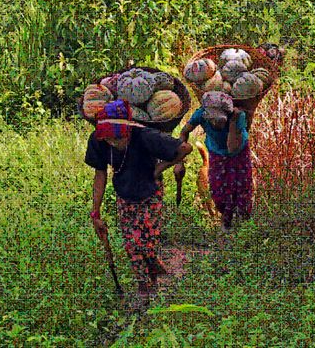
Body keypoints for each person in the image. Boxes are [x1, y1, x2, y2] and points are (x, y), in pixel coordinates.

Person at [84, 99, 192, 304]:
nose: (113, 143)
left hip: (150, 194)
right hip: (124, 195)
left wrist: (160, 169)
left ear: (127, 131)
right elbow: (100, 174)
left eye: (117, 139)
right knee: (132, 244)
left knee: (147, 243)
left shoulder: (145, 136)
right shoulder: (98, 140)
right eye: (108, 139)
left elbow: (185, 148)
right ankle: (143, 286)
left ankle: (152, 270)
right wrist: (95, 212)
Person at [178, 92, 253, 232]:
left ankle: (243, 227)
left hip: (238, 153)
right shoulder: (201, 114)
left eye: (220, 120)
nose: (215, 123)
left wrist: (232, 122)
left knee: (241, 189)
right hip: (217, 153)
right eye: (212, 120)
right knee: (218, 191)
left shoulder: (238, 117)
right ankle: (226, 220)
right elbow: (184, 132)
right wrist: (179, 159)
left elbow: (231, 148)